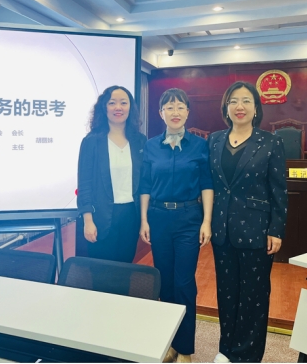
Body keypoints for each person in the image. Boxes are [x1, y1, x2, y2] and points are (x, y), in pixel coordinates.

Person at [207, 81, 287, 363]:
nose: (239, 106)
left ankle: (248, 356)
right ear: (226, 108)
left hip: (256, 230)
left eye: (246, 101)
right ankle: (226, 349)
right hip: (222, 230)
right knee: (226, 292)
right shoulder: (214, 140)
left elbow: (279, 190)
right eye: (233, 101)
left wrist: (276, 229)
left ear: (256, 108)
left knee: (254, 296)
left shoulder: (271, 142)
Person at [139, 88, 213, 363]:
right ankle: (170, 342)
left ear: (187, 112)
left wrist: (206, 221)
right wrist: (144, 220)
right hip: (158, 218)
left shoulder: (199, 145)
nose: (175, 112)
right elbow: (145, 185)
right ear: (161, 113)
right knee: (166, 283)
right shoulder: (151, 146)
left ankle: (185, 349)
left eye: (180, 106)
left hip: (188, 219)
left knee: (184, 283)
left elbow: (206, 184)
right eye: (169, 107)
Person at [76, 86, 146, 263]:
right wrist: (88, 220)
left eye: (123, 103)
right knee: (101, 271)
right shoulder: (92, 141)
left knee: (125, 268)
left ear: (130, 108)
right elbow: (85, 184)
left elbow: (145, 182)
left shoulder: (139, 141)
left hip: (131, 216)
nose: (118, 108)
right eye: (112, 103)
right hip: (101, 217)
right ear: (104, 107)